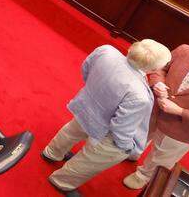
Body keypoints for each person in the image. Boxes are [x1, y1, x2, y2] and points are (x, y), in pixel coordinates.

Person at [42, 40, 172, 195]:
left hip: (86, 106)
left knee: (71, 131)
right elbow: (121, 128)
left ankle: (51, 153)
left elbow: (86, 70)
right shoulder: (140, 95)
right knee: (91, 160)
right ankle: (61, 181)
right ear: (153, 69)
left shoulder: (106, 51)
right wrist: (126, 147)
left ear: (133, 47)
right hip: (105, 129)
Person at [124, 34, 189, 189]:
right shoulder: (185, 50)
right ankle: (133, 152)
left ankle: (143, 176)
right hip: (154, 111)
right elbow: (160, 68)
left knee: (161, 156)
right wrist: (158, 83)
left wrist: (180, 111)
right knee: (140, 135)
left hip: (182, 129)